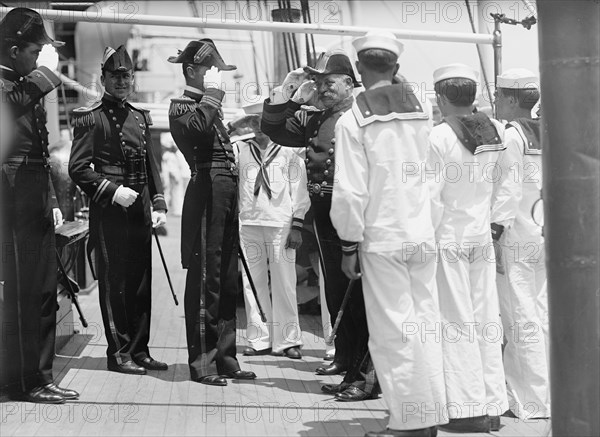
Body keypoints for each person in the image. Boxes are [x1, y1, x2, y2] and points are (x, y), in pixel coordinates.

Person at [330, 31, 445, 436]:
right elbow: (435, 177)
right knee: (425, 326)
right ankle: (428, 415)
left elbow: (349, 192)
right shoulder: (423, 111)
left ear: (359, 70)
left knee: (392, 334)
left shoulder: (352, 119)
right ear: (395, 67)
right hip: (422, 234)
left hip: (382, 239)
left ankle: (410, 423)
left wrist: (348, 244)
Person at [261, 49, 377, 401]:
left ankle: (363, 375)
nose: (323, 89)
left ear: (349, 83)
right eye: (319, 82)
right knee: (334, 291)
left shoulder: (359, 118)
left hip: (351, 213)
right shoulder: (313, 117)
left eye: (329, 82)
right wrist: (289, 90)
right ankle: (344, 358)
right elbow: (274, 128)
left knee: (354, 298)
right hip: (324, 215)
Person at [69, 45, 168, 375]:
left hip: (139, 207)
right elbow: (79, 168)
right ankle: (119, 353)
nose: (121, 82)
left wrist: (158, 203)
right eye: (115, 77)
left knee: (141, 281)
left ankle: (140, 349)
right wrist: (111, 191)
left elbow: (150, 164)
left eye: (126, 76)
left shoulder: (140, 117)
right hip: (111, 209)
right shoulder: (90, 117)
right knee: (115, 283)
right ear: (103, 80)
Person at [0, 7, 79, 403]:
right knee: (21, 288)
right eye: (34, 52)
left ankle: (41, 374)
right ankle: (21, 381)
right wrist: (45, 75)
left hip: (31, 189)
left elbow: (40, 150)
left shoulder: (22, 80)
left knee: (44, 287)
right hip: (9, 193)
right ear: (14, 51)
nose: (39, 59)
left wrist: (48, 195)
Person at [167, 39, 256, 386]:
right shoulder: (181, 107)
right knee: (206, 278)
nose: (215, 78)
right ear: (191, 71)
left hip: (225, 190)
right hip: (207, 190)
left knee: (225, 276)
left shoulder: (209, 108)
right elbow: (195, 131)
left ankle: (225, 357)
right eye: (209, 71)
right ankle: (202, 361)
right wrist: (214, 96)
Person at [428, 63, 508, 432]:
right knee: (486, 319)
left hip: (449, 238)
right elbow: (506, 186)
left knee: (456, 323)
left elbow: (432, 198)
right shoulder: (496, 132)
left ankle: (465, 410)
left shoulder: (439, 137)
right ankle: (493, 405)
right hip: (480, 236)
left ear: (442, 97)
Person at [491, 68, 549, 419]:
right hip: (543, 236)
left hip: (516, 239)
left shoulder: (513, 136)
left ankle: (530, 401)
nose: (496, 101)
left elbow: (508, 191)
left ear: (512, 99)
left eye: (498, 95)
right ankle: (546, 394)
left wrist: (495, 235)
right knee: (541, 317)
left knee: (519, 318)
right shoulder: (550, 131)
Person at [230, 107, 310, 359]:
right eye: (253, 121)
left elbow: (299, 190)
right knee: (252, 284)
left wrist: (297, 224)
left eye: (263, 121)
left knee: (285, 283)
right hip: (249, 224)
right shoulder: (240, 151)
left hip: (281, 224)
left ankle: (288, 340)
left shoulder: (289, 151)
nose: (258, 127)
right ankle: (259, 339)